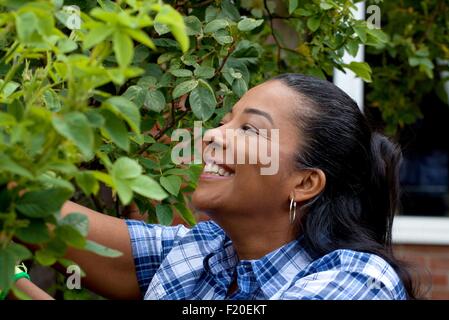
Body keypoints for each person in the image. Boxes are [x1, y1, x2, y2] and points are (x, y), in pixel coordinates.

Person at [6, 73, 418, 300]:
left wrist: (13, 280)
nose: (212, 136)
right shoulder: (202, 253)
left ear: (305, 182)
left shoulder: (361, 282)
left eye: (250, 129)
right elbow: (41, 217)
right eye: (225, 120)